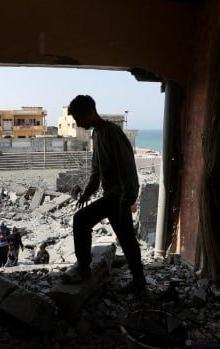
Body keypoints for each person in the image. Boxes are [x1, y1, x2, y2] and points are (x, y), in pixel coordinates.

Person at [61, 95, 145, 294]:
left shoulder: (112, 132)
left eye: (79, 118)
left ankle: (84, 269)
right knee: (126, 239)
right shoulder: (96, 135)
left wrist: (128, 199)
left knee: (81, 220)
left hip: (119, 197)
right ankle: (139, 280)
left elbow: (128, 167)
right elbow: (96, 171)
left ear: (90, 112)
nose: (78, 124)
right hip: (112, 196)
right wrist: (87, 194)